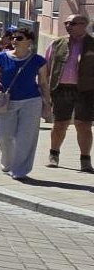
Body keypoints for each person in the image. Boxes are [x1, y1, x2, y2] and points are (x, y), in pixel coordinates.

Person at [0, 30, 51, 180]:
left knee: (26, 137)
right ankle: (8, 162)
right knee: (3, 135)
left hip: (31, 101)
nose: (14, 40)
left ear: (29, 41)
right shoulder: (2, 57)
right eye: (13, 38)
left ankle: (20, 170)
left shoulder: (38, 60)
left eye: (19, 38)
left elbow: (42, 83)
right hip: (7, 101)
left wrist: (47, 103)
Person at [46, 14, 94, 171]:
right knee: (60, 124)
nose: (68, 26)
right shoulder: (57, 43)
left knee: (84, 125)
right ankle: (54, 155)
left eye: (72, 23)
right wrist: (45, 90)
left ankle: (85, 160)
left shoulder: (92, 44)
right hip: (61, 89)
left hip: (86, 90)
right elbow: (46, 67)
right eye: (66, 23)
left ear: (84, 24)